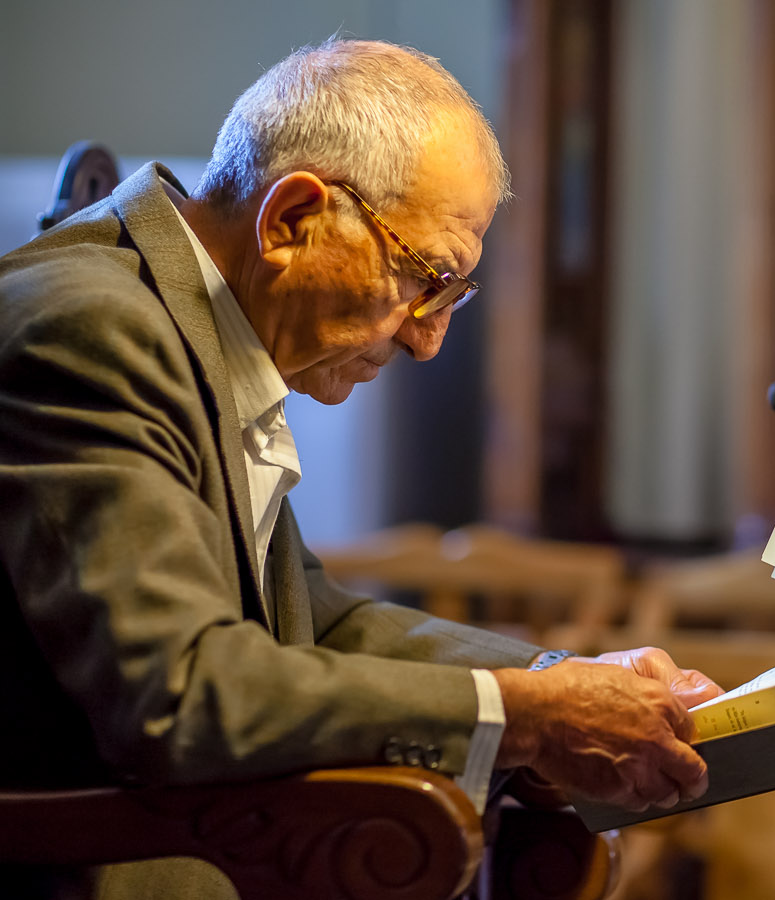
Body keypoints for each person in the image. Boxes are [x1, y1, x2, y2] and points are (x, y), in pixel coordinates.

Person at [0, 38, 721, 899]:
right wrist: (530, 718)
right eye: (425, 281)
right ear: (291, 220)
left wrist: (557, 681)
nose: (427, 339)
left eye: (454, 296)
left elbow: (315, 622)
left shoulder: (187, 319)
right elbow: (185, 694)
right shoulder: (95, 332)